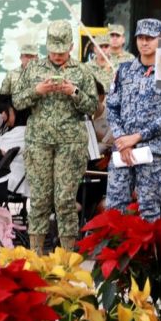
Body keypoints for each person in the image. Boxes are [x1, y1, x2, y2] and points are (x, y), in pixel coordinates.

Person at [11, 20, 98, 253]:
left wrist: (74, 92)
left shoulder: (82, 71)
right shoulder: (33, 68)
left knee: (65, 201)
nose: (57, 56)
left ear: (71, 47)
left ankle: (68, 258)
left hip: (71, 145)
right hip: (39, 142)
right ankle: (36, 256)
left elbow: (93, 107)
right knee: (39, 199)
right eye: (53, 51)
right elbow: (17, 101)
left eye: (62, 51)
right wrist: (37, 91)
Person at [105, 18, 161, 221]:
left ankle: (146, 245)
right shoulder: (124, 70)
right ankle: (115, 244)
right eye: (141, 37)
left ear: (160, 39)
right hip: (122, 150)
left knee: (148, 211)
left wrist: (136, 137)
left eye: (150, 38)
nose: (144, 42)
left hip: (152, 151)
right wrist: (122, 139)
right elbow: (112, 107)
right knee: (115, 209)